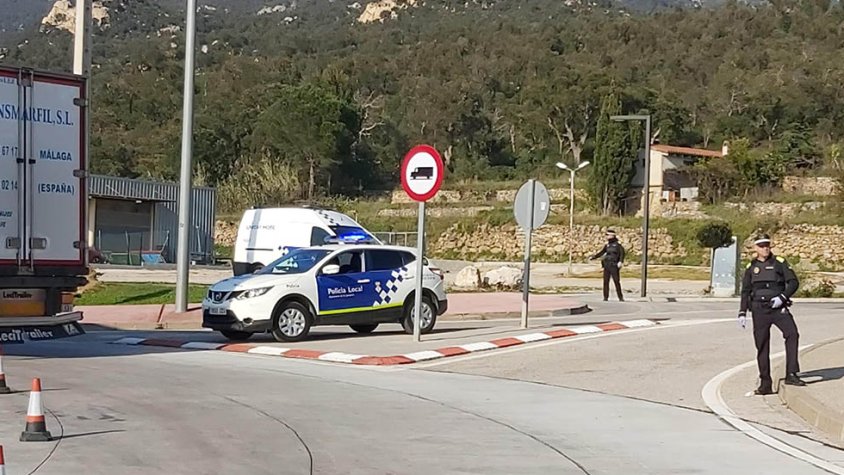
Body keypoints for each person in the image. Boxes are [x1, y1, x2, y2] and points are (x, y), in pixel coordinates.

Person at [738, 233, 806, 395]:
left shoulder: (779, 263)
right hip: (759, 309)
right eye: (761, 245)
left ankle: (791, 373)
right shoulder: (751, 267)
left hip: (778, 307)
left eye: (767, 245)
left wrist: (782, 297)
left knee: (792, 334)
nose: (765, 248)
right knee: (762, 345)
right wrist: (742, 311)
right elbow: (746, 290)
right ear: (755, 248)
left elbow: (793, 282)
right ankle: (765, 383)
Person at [590, 229, 625, 302]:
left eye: (608, 235)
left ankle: (620, 297)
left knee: (616, 281)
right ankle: (605, 297)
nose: (606, 236)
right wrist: (594, 257)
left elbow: (622, 253)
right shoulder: (607, 245)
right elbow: (602, 252)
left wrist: (620, 262)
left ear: (612, 236)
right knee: (606, 282)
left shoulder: (617, 245)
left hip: (614, 265)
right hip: (607, 265)